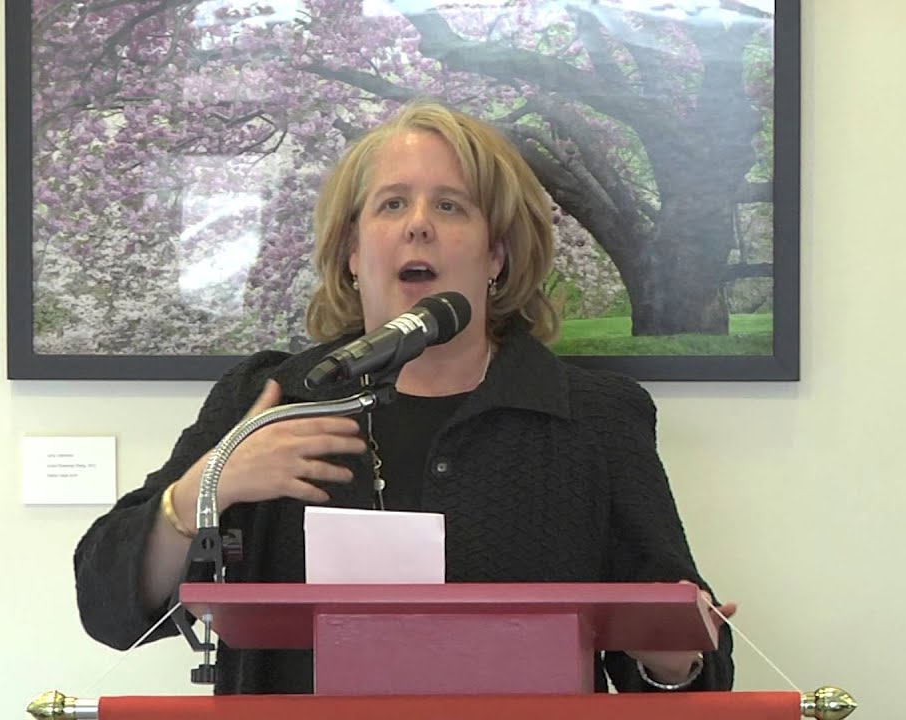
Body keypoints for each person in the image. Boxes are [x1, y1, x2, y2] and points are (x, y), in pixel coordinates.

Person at [73, 100, 736, 694]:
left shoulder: (593, 417)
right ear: (353, 253)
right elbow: (109, 606)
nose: (419, 225)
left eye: (450, 206)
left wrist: (672, 660)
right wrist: (209, 486)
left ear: (497, 254)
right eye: (392, 204)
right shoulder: (268, 398)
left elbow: (690, 667)